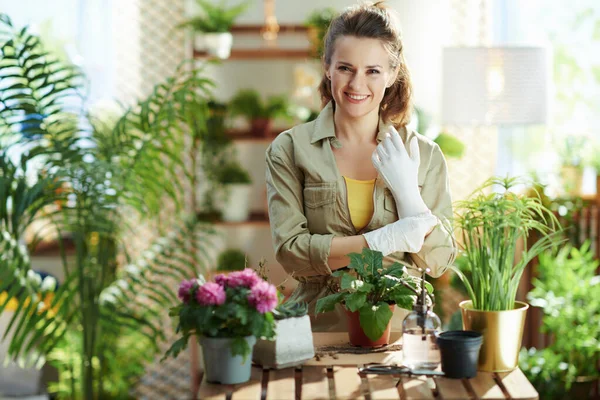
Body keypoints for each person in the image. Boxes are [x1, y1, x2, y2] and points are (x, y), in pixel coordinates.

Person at [265, 1, 456, 332]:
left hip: (399, 335)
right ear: (327, 67)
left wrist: (410, 196)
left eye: (372, 71)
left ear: (393, 73)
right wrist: (385, 240)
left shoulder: (423, 154)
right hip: (317, 330)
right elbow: (291, 253)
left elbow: (438, 260)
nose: (356, 85)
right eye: (345, 68)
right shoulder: (290, 149)